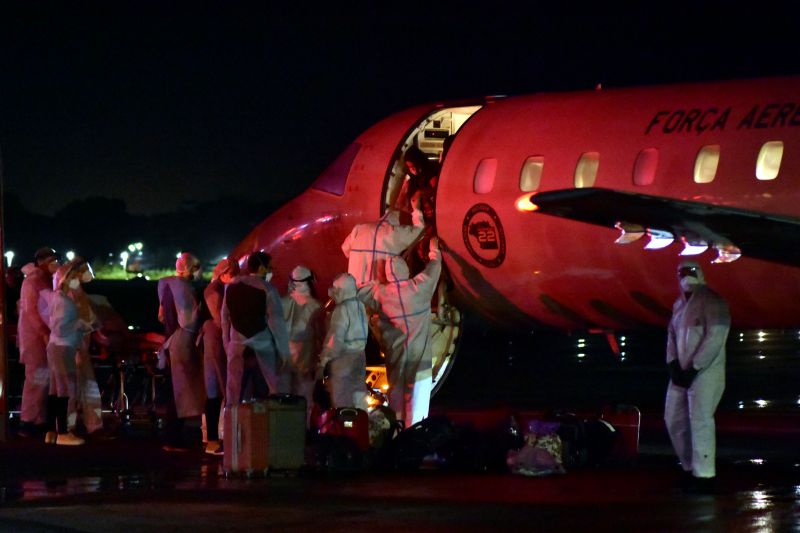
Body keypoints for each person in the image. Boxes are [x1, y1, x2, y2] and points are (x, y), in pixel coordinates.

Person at [358, 237, 442, 427]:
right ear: (406, 270)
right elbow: (434, 268)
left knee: (396, 403)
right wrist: (434, 249)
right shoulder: (419, 287)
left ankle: (396, 437)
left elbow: (357, 291)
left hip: (396, 359)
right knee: (418, 406)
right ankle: (414, 442)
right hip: (419, 361)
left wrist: (376, 280)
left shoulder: (380, 293)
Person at [664, 259, 730, 493]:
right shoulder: (678, 305)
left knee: (700, 421)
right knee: (673, 419)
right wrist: (673, 364)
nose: (686, 276)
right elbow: (671, 335)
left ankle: (705, 476)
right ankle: (690, 467)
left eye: (690, 272)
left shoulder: (713, 302)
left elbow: (715, 337)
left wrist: (695, 368)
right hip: (681, 373)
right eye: (681, 272)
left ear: (701, 274)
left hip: (706, 373)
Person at [221, 251, 290, 406]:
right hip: (261, 339)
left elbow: (224, 317)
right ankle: (275, 418)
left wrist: (227, 343)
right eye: (269, 267)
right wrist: (284, 352)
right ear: (261, 268)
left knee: (232, 388)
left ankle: (229, 422)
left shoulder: (230, 287)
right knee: (274, 384)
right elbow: (277, 323)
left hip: (236, 342)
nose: (271, 271)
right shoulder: (268, 289)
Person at [44, 258, 96, 445]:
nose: (77, 279)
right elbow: (60, 327)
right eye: (74, 275)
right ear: (65, 278)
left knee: (56, 390)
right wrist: (81, 325)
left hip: (58, 347)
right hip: (63, 347)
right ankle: (64, 433)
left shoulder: (60, 297)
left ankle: (51, 431)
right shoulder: (62, 300)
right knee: (65, 390)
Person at [157, 252, 206, 451]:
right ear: (190, 268)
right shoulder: (184, 288)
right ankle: (172, 438)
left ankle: (173, 437)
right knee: (180, 392)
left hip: (170, 341)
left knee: (175, 391)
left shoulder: (166, 285)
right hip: (181, 343)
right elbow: (188, 321)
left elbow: (162, 316)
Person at [17, 247, 59, 437]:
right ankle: (28, 421)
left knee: (43, 380)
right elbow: (31, 311)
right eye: (53, 260)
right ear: (42, 261)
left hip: (45, 337)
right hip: (34, 338)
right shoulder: (32, 282)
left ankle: (39, 419)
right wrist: (43, 332)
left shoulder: (44, 280)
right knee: (35, 379)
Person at [200, 258, 239, 455]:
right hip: (216, 343)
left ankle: (214, 438)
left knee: (216, 390)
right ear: (223, 273)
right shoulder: (214, 291)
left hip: (219, 342)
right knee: (215, 389)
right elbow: (221, 319)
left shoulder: (219, 289)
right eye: (232, 274)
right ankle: (213, 439)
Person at [341, 199, 425, 287]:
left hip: (353, 290)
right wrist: (416, 208)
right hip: (374, 294)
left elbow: (344, 248)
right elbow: (419, 230)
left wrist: (360, 257)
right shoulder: (393, 233)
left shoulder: (359, 229)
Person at [317, 272, 368, 410]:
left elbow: (335, 338)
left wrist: (323, 361)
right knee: (358, 396)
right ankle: (361, 426)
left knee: (342, 400)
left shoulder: (341, 309)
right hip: (360, 356)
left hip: (344, 359)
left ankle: (345, 429)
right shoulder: (360, 305)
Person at [281, 265, 325, 424]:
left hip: (283, 360)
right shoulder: (316, 306)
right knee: (304, 399)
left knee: (284, 399)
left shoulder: (282, 302)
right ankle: (302, 434)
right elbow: (322, 334)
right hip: (306, 360)